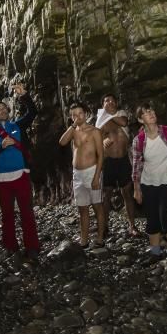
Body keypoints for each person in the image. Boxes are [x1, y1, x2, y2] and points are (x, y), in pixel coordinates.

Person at [132, 102, 167, 268]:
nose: (151, 113)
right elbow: (136, 166)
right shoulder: (139, 140)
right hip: (148, 183)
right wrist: (137, 189)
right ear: (140, 119)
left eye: (152, 110)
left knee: (166, 217)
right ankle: (155, 253)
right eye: (146, 112)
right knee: (152, 219)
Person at [0, 99, 41, 260]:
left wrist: (25, 96)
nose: (2, 110)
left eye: (4, 108)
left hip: (21, 175)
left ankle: (32, 247)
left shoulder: (17, 126)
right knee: (6, 214)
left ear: (8, 112)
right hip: (2, 180)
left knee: (27, 212)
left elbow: (33, 113)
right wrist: (0, 146)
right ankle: (10, 246)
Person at [60, 102, 107, 248]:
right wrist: (73, 125)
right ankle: (84, 240)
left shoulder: (95, 131)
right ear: (71, 117)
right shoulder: (73, 130)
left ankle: (100, 239)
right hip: (77, 174)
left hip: (92, 171)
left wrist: (96, 177)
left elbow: (101, 156)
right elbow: (62, 142)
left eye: (80, 114)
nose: (78, 117)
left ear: (86, 114)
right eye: (74, 115)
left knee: (97, 206)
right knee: (82, 208)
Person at [96, 94, 139, 237]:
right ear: (102, 104)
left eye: (113, 101)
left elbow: (123, 123)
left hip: (123, 160)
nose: (110, 102)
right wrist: (102, 141)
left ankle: (132, 226)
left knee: (127, 192)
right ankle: (104, 226)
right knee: (106, 194)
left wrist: (108, 114)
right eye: (107, 100)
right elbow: (97, 137)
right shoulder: (99, 119)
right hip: (108, 162)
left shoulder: (121, 114)